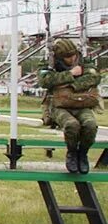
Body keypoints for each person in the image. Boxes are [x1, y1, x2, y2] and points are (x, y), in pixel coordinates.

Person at [38, 39, 103, 174]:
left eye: (73, 55)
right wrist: (71, 74)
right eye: (68, 57)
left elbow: (94, 76)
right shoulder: (49, 63)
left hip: (82, 104)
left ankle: (82, 153)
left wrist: (70, 86)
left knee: (90, 125)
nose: (72, 59)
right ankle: (72, 153)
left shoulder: (84, 61)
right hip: (59, 105)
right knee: (71, 125)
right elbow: (44, 80)